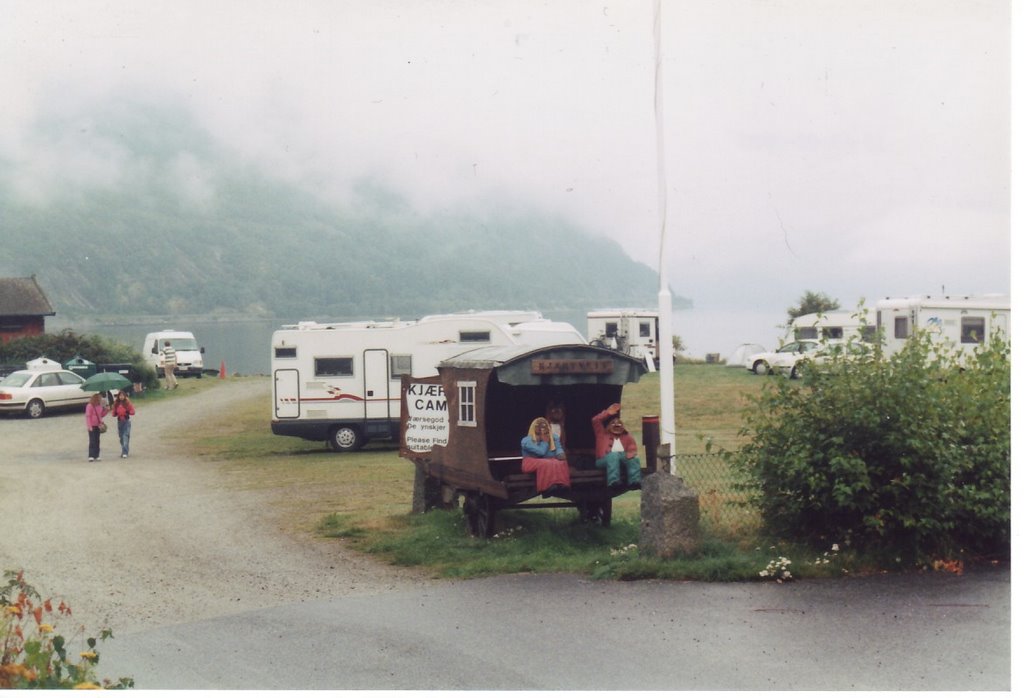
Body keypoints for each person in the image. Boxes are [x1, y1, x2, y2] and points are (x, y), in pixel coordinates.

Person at [591, 403, 642, 489]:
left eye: (619, 424)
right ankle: (613, 481)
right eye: (613, 424)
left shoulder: (626, 436)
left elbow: (631, 447)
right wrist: (607, 413)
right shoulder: (602, 434)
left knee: (634, 458)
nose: (616, 426)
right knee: (613, 456)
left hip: (622, 457)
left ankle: (635, 481)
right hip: (604, 459)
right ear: (608, 426)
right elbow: (595, 420)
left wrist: (630, 454)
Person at [520, 416, 571, 496]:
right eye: (539, 426)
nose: (542, 428)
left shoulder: (554, 437)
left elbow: (558, 448)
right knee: (546, 463)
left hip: (549, 460)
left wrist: (560, 453)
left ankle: (562, 484)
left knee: (560, 463)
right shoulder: (527, 440)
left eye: (544, 426)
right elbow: (541, 452)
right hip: (530, 461)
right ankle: (546, 488)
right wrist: (545, 441)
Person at [84, 393, 110, 462]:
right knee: (92, 440)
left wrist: (107, 410)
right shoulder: (89, 406)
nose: (101, 400)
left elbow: (101, 415)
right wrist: (89, 426)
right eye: (99, 398)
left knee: (97, 440)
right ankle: (91, 455)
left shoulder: (100, 406)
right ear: (96, 398)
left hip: (98, 425)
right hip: (92, 425)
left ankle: (97, 455)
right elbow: (88, 416)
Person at [111, 391, 136, 458]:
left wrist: (127, 412)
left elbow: (133, 411)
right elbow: (113, 414)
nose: (121, 397)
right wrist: (114, 412)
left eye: (122, 396)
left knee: (125, 436)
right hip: (119, 422)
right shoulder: (116, 404)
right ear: (118, 396)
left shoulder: (127, 403)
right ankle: (124, 450)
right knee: (121, 437)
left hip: (126, 421)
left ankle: (125, 452)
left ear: (125, 396)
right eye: (120, 396)